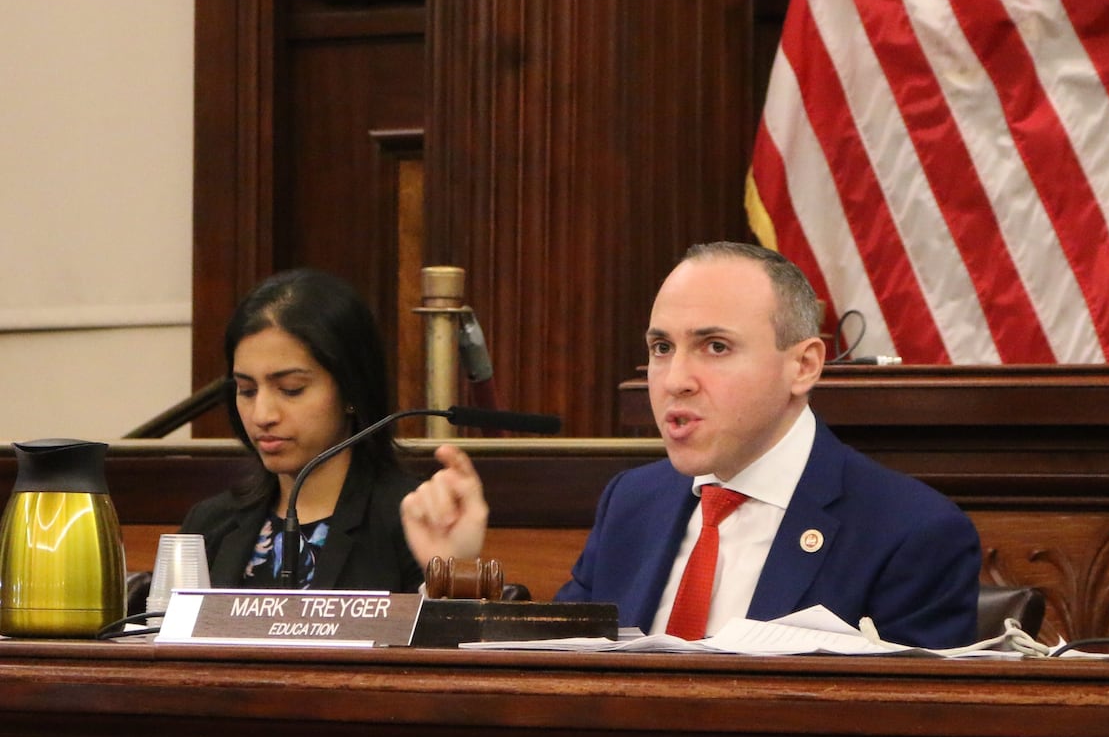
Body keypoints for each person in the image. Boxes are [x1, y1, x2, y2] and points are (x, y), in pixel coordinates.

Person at [403, 242, 981, 648]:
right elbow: (555, 672)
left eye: (715, 347)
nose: (675, 378)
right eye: (661, 347)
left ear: (803, 365)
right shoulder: (634, 501)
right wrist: (457, 572)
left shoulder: (911, 533)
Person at [180, 268, 444, 592]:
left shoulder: (409, 519)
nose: (262, 415)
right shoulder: (211, 523)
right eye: (247, 390)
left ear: (350, 389)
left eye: (291, 389)